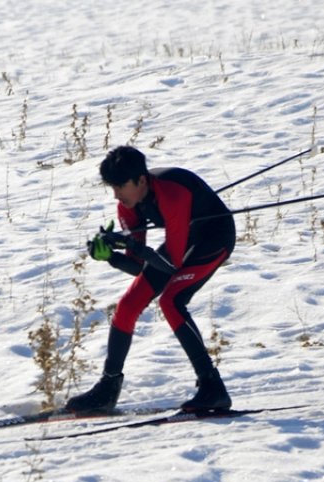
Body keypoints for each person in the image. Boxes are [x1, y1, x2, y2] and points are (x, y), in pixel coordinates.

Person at [65, 146, 236, 414]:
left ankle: (212, 387)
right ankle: (108, 388)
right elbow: (138, 266)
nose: (116, 194)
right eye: (112, 187)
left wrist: (130, 242)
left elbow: (172, 266)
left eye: (120, 186)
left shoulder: (173, 195)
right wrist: (111, 255)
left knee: (172, 300)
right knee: (128, 304)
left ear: (141, 180)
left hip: (214, 238)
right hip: (183, 242)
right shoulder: (127, 205)